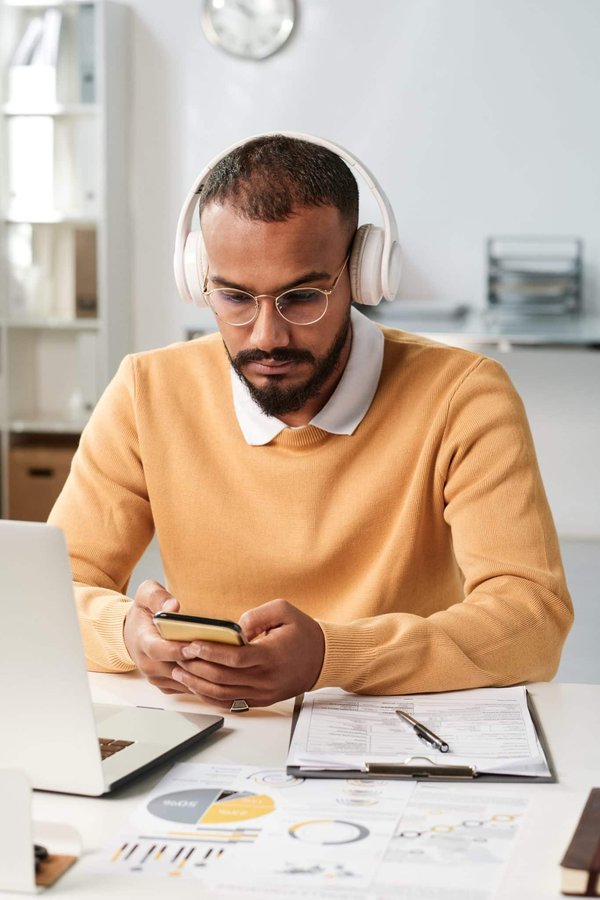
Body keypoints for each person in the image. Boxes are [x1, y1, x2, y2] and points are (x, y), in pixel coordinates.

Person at [49, 133, 573, 709]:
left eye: (302, 297)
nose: (267, 335)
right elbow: (47, 591)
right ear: (200, 280)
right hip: (214, 733)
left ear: (363, 275)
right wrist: (126, 632)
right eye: (235, 298)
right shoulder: (146, 391)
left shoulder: (465, 396)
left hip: (400, 731)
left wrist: (332, 656)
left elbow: (531, 618)